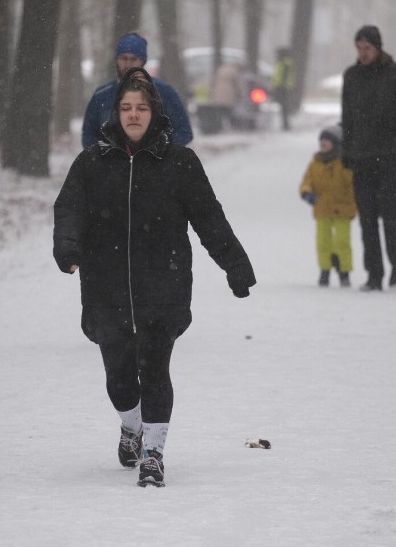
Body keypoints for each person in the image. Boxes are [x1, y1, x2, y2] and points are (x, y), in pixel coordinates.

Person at [54, 67, 255, 487]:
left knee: (156, 370)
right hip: (106, 286)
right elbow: (69, 208)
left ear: (154, 112)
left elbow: (208, 218)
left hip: (163, 283)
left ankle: (153, 453)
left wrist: (235, 265)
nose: (133, 115)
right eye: (126, 107)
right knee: (121, 380)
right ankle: (131, 427)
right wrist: (68, 247)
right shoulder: (92, 162)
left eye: (141, 107)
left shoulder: (179, 162)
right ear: (116, 113)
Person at [341, 25, 396, 291]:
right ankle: (374, 275)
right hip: (362, 156)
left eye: (367, 48)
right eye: (359, 48)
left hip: (391, 155)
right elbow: (347, 118)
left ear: (378, 47)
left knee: (389, 212)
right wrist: (346, 151)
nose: (363, 53)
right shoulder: (352, 76)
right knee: (367, 217)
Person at [81, 32, 193, 150]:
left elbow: (184, 132)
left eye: (133, 59)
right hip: (112, 166)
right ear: (117, 60)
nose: (128, 64)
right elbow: (89, 135)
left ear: (143, 61)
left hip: (155, 166)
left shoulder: (164, 92)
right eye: (124, 58)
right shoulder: (101, 95)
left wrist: (159, 154)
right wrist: (106, 158)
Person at [299, 124, 356, 287]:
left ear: (337, 143)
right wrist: (306, 192)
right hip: (322, 208)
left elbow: (351, 184)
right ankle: (325, 270)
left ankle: (344, 271)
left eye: (327, 141)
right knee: (323, 242)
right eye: (321, 141)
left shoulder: (345, 163)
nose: (323, 144)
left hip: (342, 208)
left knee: (342, 241)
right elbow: (307, 181)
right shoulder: (315, 163)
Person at [272, 47, 295, 131]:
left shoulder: (285, 63)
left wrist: (278, 86)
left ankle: (285, 125)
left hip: (283, 88)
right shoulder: (284, 62)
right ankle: (285, 124)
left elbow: (283, 77)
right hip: (283, 87)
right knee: (283, 106)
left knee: (284, 106)